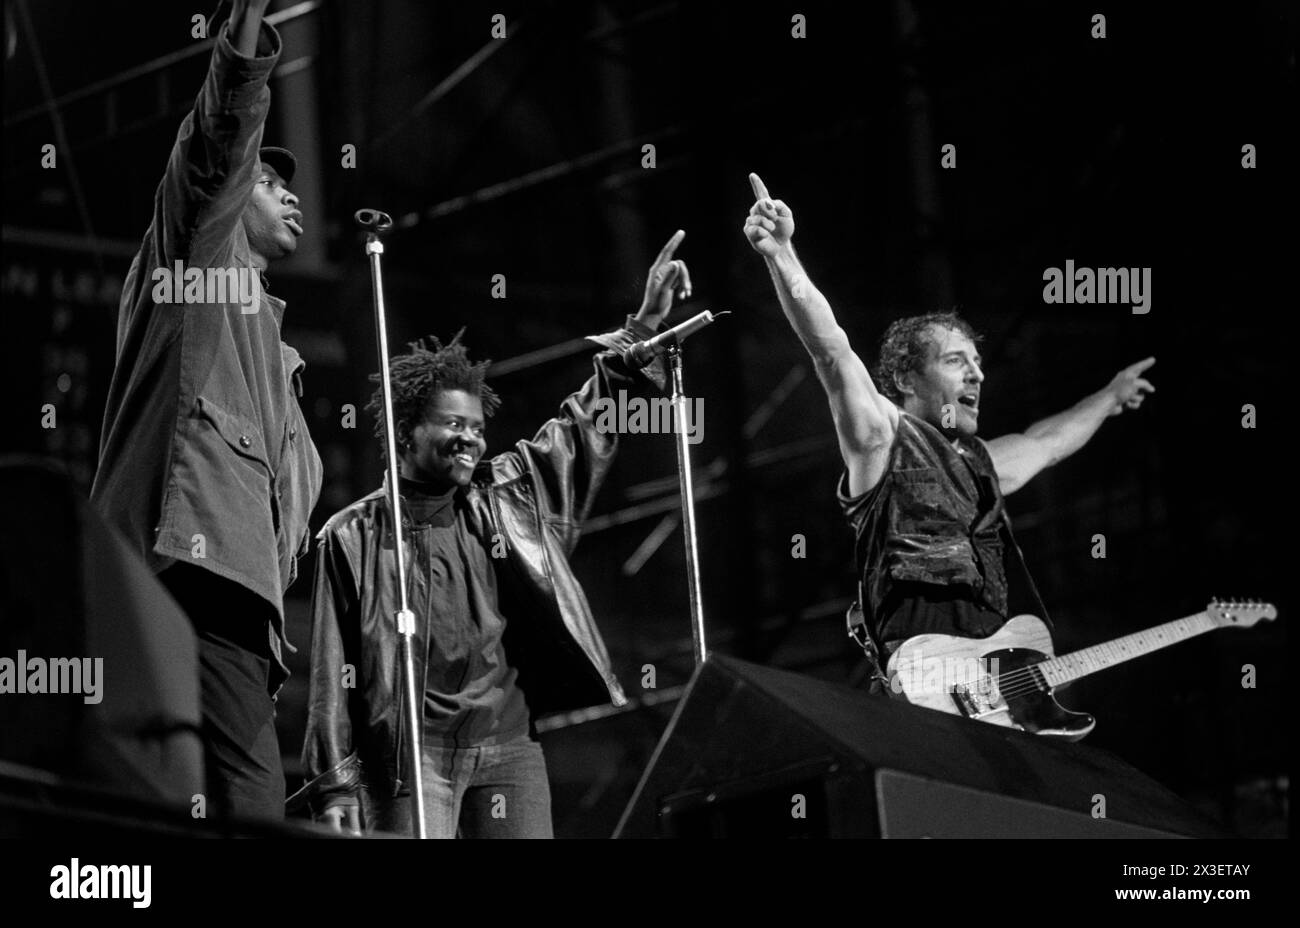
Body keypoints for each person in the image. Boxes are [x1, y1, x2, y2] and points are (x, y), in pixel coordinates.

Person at [293, 233, 692, 837]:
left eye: (477, 428)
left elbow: (584, 425)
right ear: (405, 431)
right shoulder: (350, 536)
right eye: (452, 424)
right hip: (408, 760)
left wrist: (641, 327)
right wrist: (333, 784)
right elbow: (330, 673)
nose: (470, 439)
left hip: (508, 748)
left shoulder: (508, 496)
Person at [742, 172, 1154, 672]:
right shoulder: (883, 439)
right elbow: (831, 352)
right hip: (920, 686)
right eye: (957, 361)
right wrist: (782, 255)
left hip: (987, 689)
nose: (977, 373)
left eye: (977, 362)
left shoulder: (978, 465)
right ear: (906, 377)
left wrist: (1109, 397)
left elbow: (1046, 442)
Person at [90, 0, 321, 819]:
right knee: (245, 798)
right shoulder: (198, 265)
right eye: (270, 181)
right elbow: (217, 140)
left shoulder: (280, 362)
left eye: (293, 188)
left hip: (240, 604)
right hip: (183, 567)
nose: (288, 196)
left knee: (202, 794)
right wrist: (249, 26)